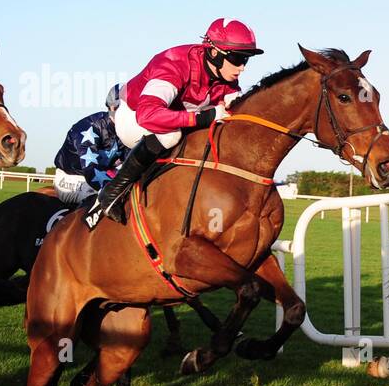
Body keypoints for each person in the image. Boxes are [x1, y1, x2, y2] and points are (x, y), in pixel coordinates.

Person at [84, 19, 262, 229]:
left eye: (246, 60)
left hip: (170, 117)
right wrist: (202, 118)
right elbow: (148, 115)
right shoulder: (174, 63)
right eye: (236, 58)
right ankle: (112, 192)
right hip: (133, 116)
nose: (241, 68)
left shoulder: (226, 78)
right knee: (171, 135)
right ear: (214, 52)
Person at [53, 85, 127, 205]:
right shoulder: (89, 128)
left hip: (101, 174)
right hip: (72, 179)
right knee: (101, 199)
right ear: (113, 107)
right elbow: (91, 171)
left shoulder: (126, 131)